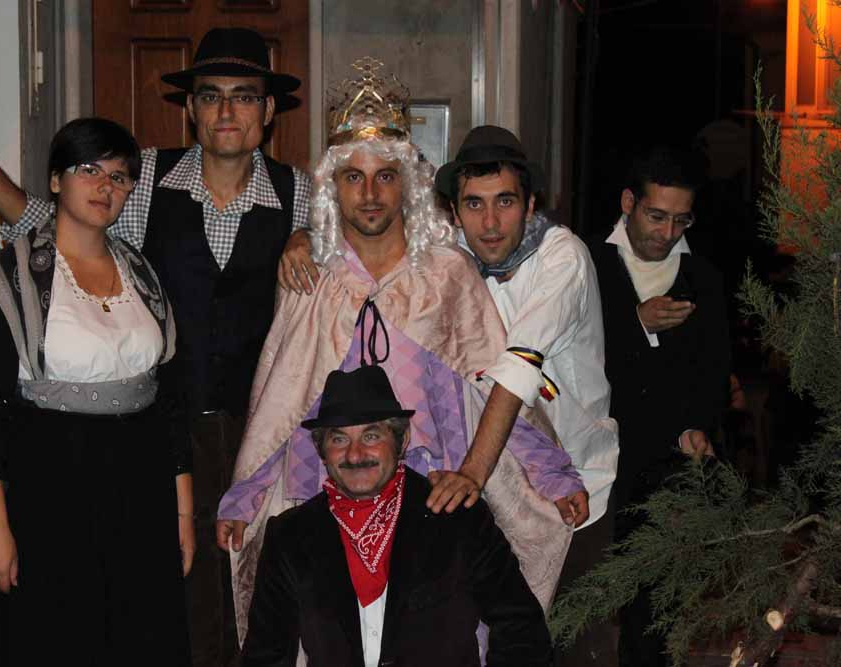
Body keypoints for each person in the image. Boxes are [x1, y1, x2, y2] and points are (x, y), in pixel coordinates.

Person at [0, 27, 310, 665]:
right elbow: (54, 227)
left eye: (245, 96)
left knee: (258, 582)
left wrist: (306, 237)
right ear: (190, 108)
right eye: (211, 95)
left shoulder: (300, 193)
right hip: (160, 430)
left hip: (259, 428)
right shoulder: (145, 181)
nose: (227, 111)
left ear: (268, 110)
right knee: (170, 595)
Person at [218, 59, 582, 646]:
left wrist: (553, 474)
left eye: (385, 176)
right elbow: (279, 402)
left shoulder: (448, 275)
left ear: (408, 184)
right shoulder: (312, 279)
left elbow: (497, 384)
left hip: (428, 496)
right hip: (328, 490)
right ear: (332, 188)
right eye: (353, 177)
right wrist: (244, 496)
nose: (369, 194)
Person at [0, 118, 192, 665]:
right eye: (89, 170)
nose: (105, 186)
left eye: (119, 177)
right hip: (45, 497)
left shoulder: (143, 274)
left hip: (139, 498)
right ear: (56, 181)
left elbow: (170, 402)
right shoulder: (6, 279)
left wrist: (182, 514)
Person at [434, 126, 619, 665]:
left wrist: (471, 474)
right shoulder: (451, 259)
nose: (490, 224)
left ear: (531, 204)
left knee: (576, 646)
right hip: (499, 493)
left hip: (577, 488)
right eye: (474, 204)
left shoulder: (563, 258)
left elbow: (518, 368)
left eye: (506, 202)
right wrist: (303, 238)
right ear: (454, 212)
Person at [240, 365, 552, 666]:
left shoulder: (455, 517)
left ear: (401, 442)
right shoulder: (290, 535)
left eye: (371, 436)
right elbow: (265, 656)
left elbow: (521, 629)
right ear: (322, 452)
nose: (355, 454)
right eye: (339, 439)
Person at [587, 145, 730, 666]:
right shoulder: (586, 263)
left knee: (656, 613)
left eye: (680, 220)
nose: (667, 232)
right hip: (593, 462)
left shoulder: (704, 277)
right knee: (590, 607)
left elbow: (713, 371)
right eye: (656, 216)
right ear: (628, 203)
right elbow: (573, 359)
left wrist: (699, 425)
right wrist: (636, 323)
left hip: (667, 467)